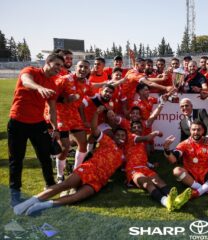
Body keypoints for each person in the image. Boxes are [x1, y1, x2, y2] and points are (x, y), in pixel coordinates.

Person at [13, 106, 126, 215]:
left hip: (99, 180)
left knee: (77, 197)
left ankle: (42, 205)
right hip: (90, 169)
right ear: (114, 136)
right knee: (64, 185)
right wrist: (96, 113)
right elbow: (94, 129)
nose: (121, 137)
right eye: (119, 135)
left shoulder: (124, 155)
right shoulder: (108, 142)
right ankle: (29, 202)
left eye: (123, 136)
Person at [8, 53, 64, 206]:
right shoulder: (30, 71)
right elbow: (26, 82)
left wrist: (55, 128)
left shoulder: (53, 84)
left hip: (38, 123)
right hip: (17, 121)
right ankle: (15, 196)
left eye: (61, 66)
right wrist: (39, 88)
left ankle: (50, 185)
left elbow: (52, 109)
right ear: (48, 62)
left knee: (45, 156)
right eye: (57, 64)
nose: (59, 68)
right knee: (16, 160)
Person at [125, 121, 192, 211]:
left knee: (158, 181)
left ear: (142, 129)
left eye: (139, 127)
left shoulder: (142, 143)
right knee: (147, 183)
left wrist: (151, 165)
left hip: (145, 168)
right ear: (131, 129)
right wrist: (156, 133)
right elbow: (148, 138)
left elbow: (142, 158)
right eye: (134, 127)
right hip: (133, 169)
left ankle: (176, 200)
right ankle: (165, 202)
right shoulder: (131, 136)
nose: (137, 129)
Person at [163, 120, 208, 198]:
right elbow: (173, 160)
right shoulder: (184, 144)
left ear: (203, 131)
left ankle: (198, 192)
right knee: (176, 171)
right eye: (193, 129)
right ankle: (205, 189)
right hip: (190, 175)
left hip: (206, 173)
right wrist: (167, 150)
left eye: (199, 130)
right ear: (190, 130)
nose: (196, 132)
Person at [53, 60, 94, 183]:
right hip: (60, 115)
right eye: (81, 66)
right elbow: (51, 96)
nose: (83, 69)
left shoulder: (87, 84)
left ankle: (76, 171)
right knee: (65, 147)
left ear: (89, 70)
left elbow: (94, 96)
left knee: (83, 143)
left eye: (86, 67)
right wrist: (65, 99)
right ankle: (60, 175)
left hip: (74, 116)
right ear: (76, 67)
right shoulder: (65, 79)